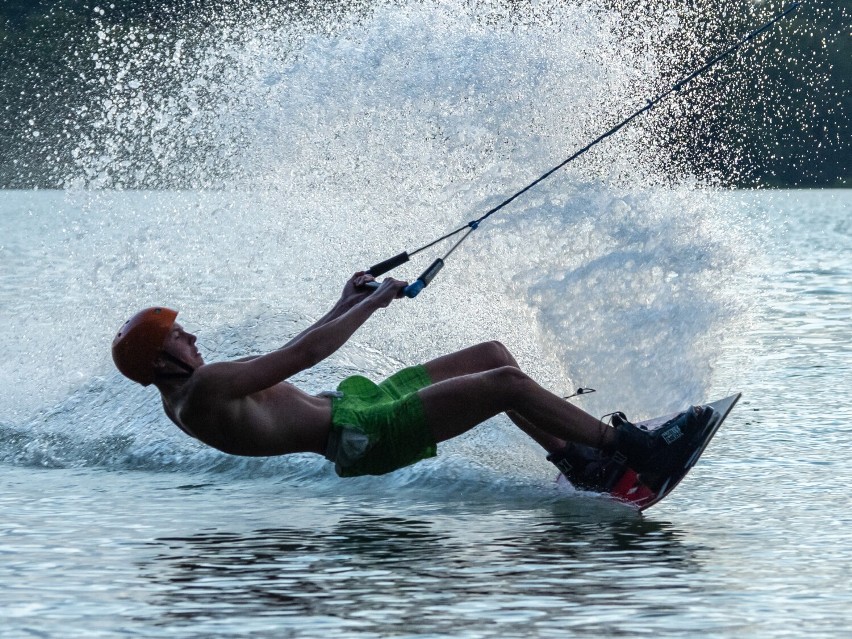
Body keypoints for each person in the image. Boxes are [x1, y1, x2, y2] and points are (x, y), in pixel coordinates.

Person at [112, 272, 713, 481]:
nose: (190, 335)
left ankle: (576, 460)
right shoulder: (202, 390)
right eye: (176, 337)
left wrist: (342, 301)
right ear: (162, 361)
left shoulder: (199, 386)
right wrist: (370, 306)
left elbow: (290, 353)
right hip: (361, 434)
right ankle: (631, 450)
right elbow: (302, 359)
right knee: (504, 382)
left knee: (489, 354)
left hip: (358, 406)